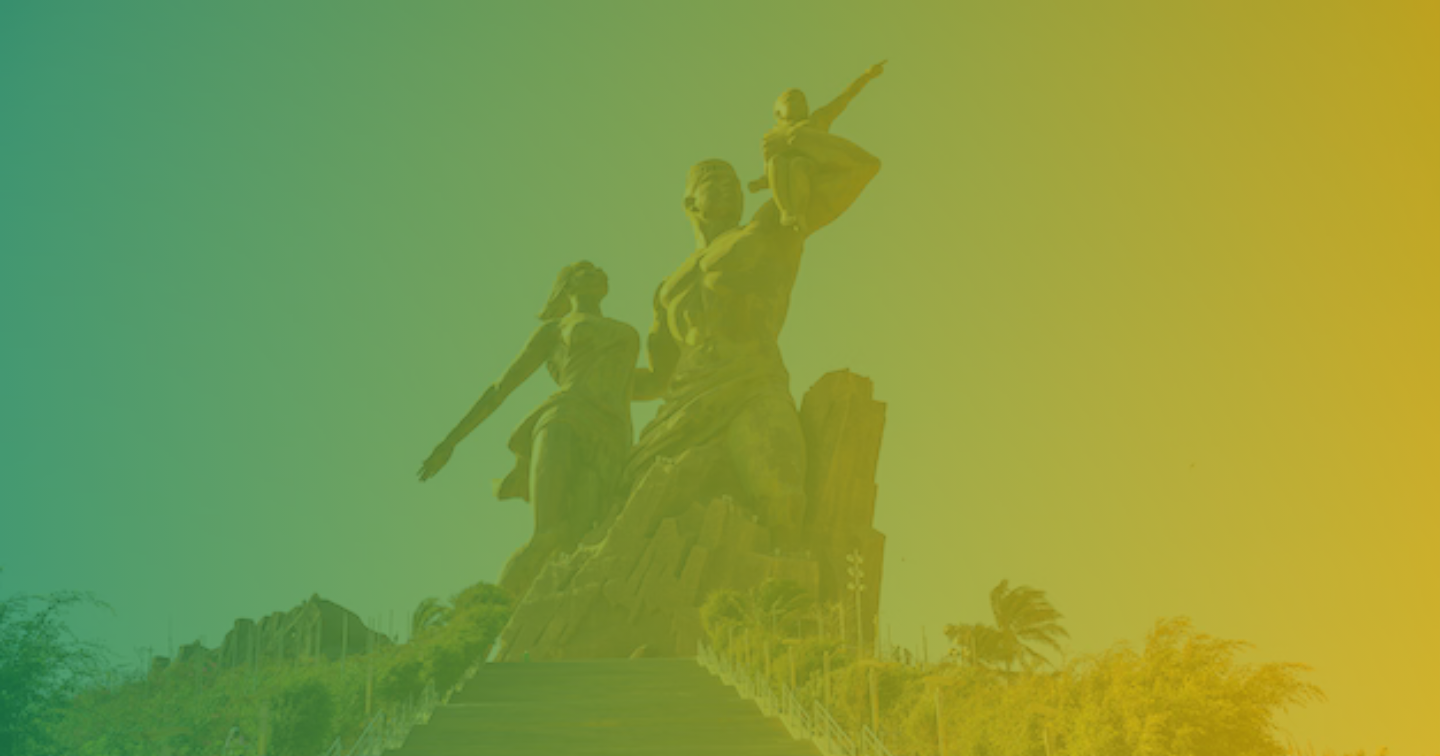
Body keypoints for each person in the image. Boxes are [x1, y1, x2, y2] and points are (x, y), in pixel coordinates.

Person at [628, 123, 881, 549]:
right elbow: (656, 378)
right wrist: (585, 386)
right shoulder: (667, 289)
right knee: (631, 508)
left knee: (782, 498)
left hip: (753, 386)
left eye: (734, 181)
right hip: (682, 407)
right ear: (691, 202)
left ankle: (787, 588)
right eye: (715, 181)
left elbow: (860, 167)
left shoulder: (770, 225)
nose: (729, 187)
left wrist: (797, 139)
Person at [419, 262, 640, 600]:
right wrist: (450, 442)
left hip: (612, 434)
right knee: (547, 535)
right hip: (565, 418)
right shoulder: (555, 330)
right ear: (567, 286)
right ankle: (489, 619)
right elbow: (500, 388)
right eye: (585, 270)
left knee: (580, 537)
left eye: (598, 269)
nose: (598, 272)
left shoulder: (625, 330)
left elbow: (641, 383)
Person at [749, 61, 887, 233]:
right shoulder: (771, 137)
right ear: (778, 113)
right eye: (791, 99)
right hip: (781, 171)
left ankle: (799, 213)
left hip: (811, 166)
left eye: (803, 101)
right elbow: (769, 166)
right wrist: (761, 182)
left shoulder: (816, 120)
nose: (800, 103)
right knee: (775, 162)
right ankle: (787, 212)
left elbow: (844, 98)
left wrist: (866, 76)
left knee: (798, 165)